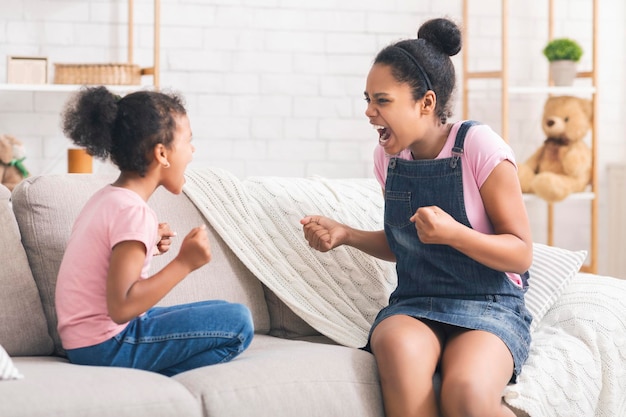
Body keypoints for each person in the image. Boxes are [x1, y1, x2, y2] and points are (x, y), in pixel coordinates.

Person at [301, 18, 533, 417]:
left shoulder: (477, 146)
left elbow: (520, 254)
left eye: (382, 100)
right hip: (415, 302)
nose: (369, 112)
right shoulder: (389, 158)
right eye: (367, 99)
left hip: (488, 306)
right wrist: (347, 234)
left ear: (426, 103)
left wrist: (455, 234)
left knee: (464, 392)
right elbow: (405, 244)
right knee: (395, 348)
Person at [55, 86, 254, 376]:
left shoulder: (107, 199)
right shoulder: (133, 212)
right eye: (188, 141)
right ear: (162, 153)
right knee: (238, 322)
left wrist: (146, 240)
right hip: (108, 344)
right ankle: (150, 378)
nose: (193, 150)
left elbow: (105, 263)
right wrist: (184, 263)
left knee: (219, 308)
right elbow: (122, 307)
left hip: (85, 342)